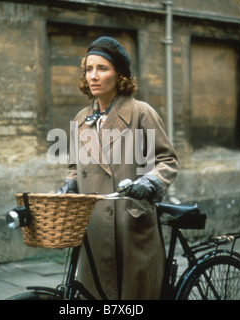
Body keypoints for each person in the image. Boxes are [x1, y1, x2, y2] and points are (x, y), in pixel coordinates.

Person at [57, 36, 178, 300]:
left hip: (130, 225)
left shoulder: (140, 112)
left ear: (120, 75)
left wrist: (150, 183)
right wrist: (70, 184)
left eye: (102, 68)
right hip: (94, 230)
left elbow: (167, 161)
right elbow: (75, 166)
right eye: (89, 69)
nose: (93, 76)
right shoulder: (81, 119)